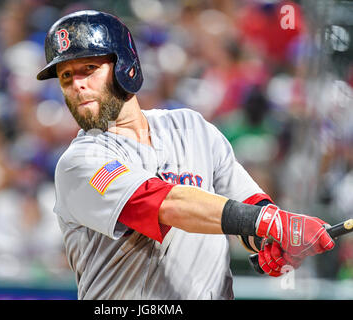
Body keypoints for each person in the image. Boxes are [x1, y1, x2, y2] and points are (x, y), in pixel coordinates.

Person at [37, 10, 335, 300]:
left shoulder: (191, 127)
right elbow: (167, 205)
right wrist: (275, 223)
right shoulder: (79, 162)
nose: (77, 84)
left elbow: (248, 204)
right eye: (66, 77)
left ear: (125, 66)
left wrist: (269, 241)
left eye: (89, 69)